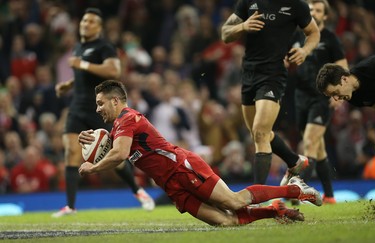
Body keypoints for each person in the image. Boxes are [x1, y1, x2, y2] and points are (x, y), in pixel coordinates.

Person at [78, 80, 322, 226]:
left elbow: (119, 154)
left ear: (115, 101)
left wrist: (93, 167)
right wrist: (88, 140)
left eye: (100, 103)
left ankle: (296, 190)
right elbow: (113, 147)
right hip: (171, 185)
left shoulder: (128, 118)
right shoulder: (118, 127)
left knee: (234, 202)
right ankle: (274, 211)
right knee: (226, 221)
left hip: (182, 168)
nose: (97, 108)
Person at [52, 8, 154, 218]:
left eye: (91, 22)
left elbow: (113, 71)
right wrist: (69, 85)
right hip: (77, 107)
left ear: (98, 27)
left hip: (100, 109)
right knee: (71, 152)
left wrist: (83, 63)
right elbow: (84, 76)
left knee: (114, 157)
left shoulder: (105, 46)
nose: (85, 24)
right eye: (84, 20)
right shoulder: (79, 47)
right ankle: (70, 206)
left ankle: (138, 191)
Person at [221, 0, 321, 185]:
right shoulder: (247, 2)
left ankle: (257, 196)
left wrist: (305, 51)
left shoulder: (296, 5)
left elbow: (314, 33)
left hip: (273, 75)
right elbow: (225, 34)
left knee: (260, 133)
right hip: (249, 74)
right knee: (258, 133)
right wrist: (243, 26)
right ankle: (294, 161)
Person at [315, 55, 375, 219]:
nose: (336, 99)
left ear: (344, 79)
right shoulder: (354, 98)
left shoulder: (374, 66)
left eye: (335, 92)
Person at [281, 0, 349, 204]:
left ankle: (297, 191)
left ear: (325, 16)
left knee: (309, 141)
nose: (314, 13)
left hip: (322, 98)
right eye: (311, 9)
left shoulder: (330, 39)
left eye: (318, 10)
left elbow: (343, 66)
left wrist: (340, 94)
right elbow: (286, 60)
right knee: (318, 148)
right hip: (300, 97)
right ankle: (329, 196)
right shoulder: (296, 36)